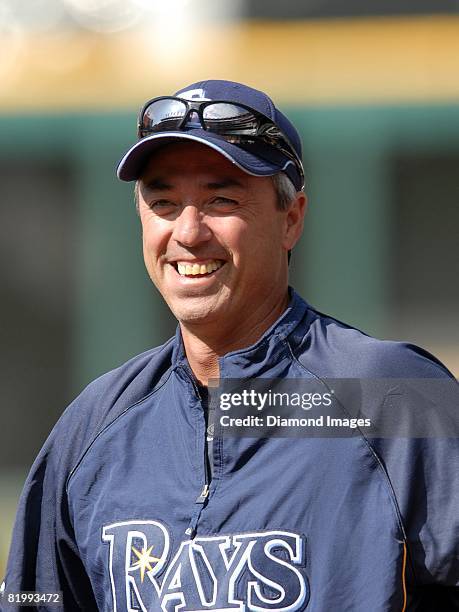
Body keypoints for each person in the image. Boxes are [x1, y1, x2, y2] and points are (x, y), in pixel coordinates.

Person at [2, 79, 458, 611]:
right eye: (163, 202)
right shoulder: (92, 426)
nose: (189, 232)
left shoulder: (388, 398)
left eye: (222, 200)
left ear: (291, 219)